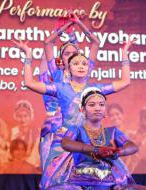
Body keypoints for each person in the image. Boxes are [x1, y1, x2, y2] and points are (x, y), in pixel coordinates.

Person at [14, 32, 133, 188]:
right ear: (68, 68)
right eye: (76, 63)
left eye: (84, 64)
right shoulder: (59, 88)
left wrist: (124, 55)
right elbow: (29, 83)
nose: (81, 66)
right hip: (65, 143)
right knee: (59, 184)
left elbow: (125, 81)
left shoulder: (94, 89)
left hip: (91, 141)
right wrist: (28, 57)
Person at [50, 88, 146, 190]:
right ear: (82, 109)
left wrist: (118, 152)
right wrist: (96, 149)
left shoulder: (112, 131)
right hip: (81, 181)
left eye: (101, 105)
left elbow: (133, 146)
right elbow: (66, 143)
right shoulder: (76, 130)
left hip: (109, 181)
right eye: (92, 105)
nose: (97, 108)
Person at [11, 100, 40, 168]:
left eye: (25, 116)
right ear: (15, 117)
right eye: (19, 116)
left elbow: (37, 156)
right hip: (14, 168)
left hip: (32, 168)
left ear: (30, 117)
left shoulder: (37, 132)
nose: (23, 120)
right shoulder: (12, 132)